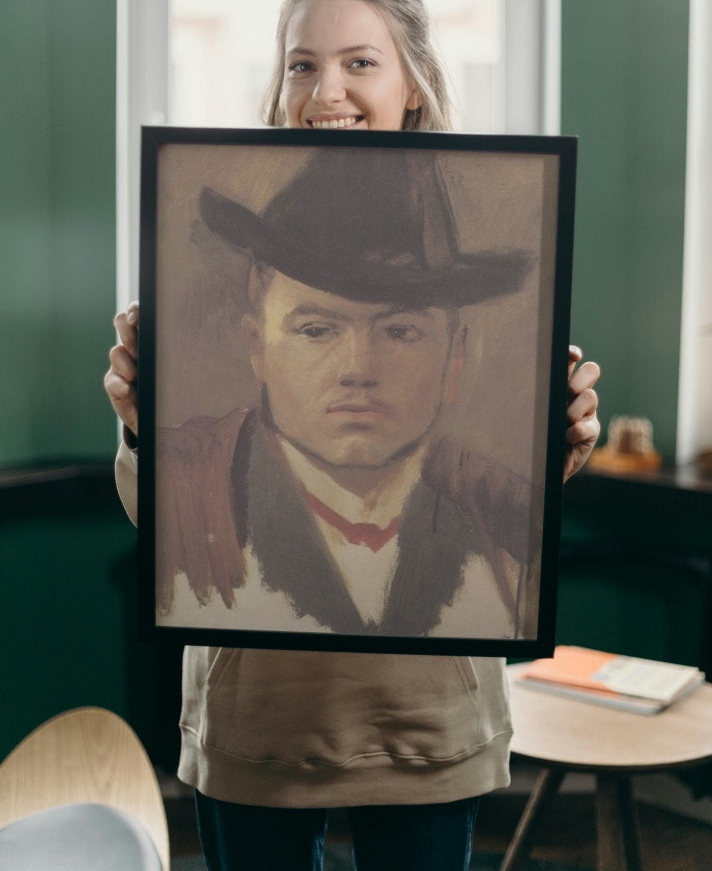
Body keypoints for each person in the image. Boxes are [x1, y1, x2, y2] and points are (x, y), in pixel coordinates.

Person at [105, 0, 601, 871]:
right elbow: (168, 527)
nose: (325, 88)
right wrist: (141, 424)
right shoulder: (197, 348)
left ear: (412, 82)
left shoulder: (491, 237)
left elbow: (515, 512)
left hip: (426, 720)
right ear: (256, 334)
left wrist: (557, 441)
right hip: (259, 721)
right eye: (301, 64)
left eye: (359, 62)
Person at [153, 146, 538, 641]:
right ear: (258, 348)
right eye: (316, 330)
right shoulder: (183, 484)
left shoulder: (505, 518)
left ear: (454, 358)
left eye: (399, 331)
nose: (358, 370)